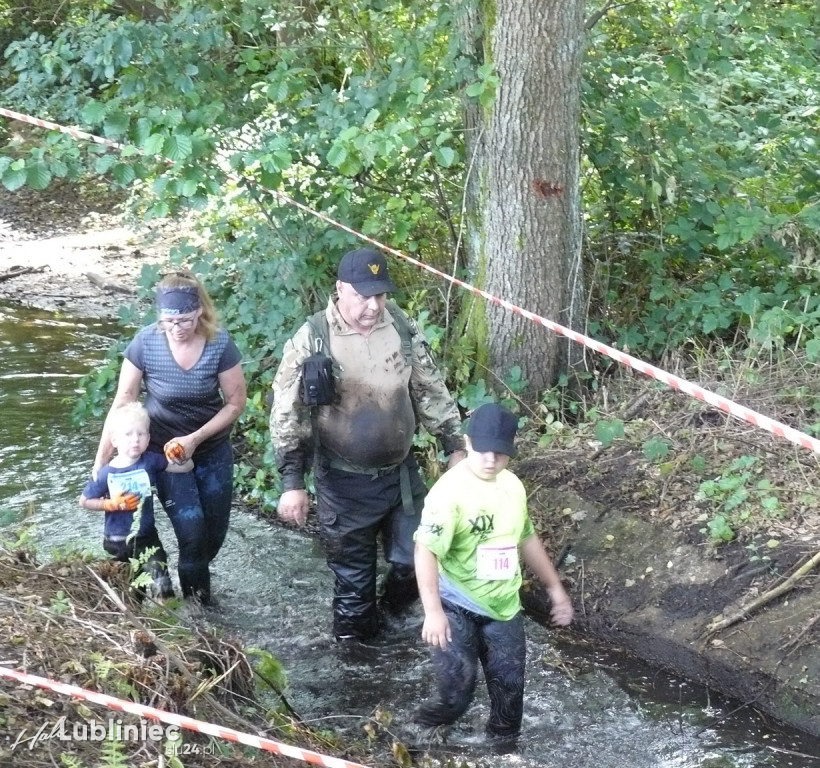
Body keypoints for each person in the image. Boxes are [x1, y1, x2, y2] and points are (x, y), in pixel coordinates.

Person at [270, 247, 466, 643]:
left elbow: (429, 388)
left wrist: (454, 444)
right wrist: (293, 482)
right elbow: (286, 411)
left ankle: (392, 626)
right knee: (354, 596)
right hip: (343, 483)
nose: (373, 306)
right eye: (363, 295)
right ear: (341, 289)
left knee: (417, 563)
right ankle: (357, 668)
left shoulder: (402, 328)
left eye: (379, 295)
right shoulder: (313, 337)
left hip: (400, 477)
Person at [412, 402, 574, 747]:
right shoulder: (449, 493)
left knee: (510, 696)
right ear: (468, 443)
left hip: (503, 605)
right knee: (457, 694)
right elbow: (425, 550)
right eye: (483, 450)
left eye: (500, 453)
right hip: (455, 603)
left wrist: (555, 590)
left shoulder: (512, 487)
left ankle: (502, 751)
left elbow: (527, 537)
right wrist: (433, 613)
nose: (490, 459)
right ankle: (415, 732)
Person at [92, 269, 246, 604]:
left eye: (185, 320)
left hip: (211, 452)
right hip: (165, 455)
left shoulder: (219, 343)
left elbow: (235, 402)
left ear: (199, 313)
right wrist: (103, 457)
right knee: (192, 536)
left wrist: (196, 438)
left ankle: (189, 592)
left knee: (210, 539)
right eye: (169, 321)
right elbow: (123, 401)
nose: (177, 329)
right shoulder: (146, 342)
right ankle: (197, 612)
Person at [80, 402, 193, 599]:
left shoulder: (150, 461)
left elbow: (184, 467)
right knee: (132, 590)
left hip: (147, 537)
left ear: (148, 438)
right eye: (128, 434)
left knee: (162, 580)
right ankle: (136, 623)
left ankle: (168, 623)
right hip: (117, 541)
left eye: (141, 434)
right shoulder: (107, 472)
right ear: (114, 440)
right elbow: (85, 501)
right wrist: (110, 504)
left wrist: (181, 456)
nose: (135, 440)